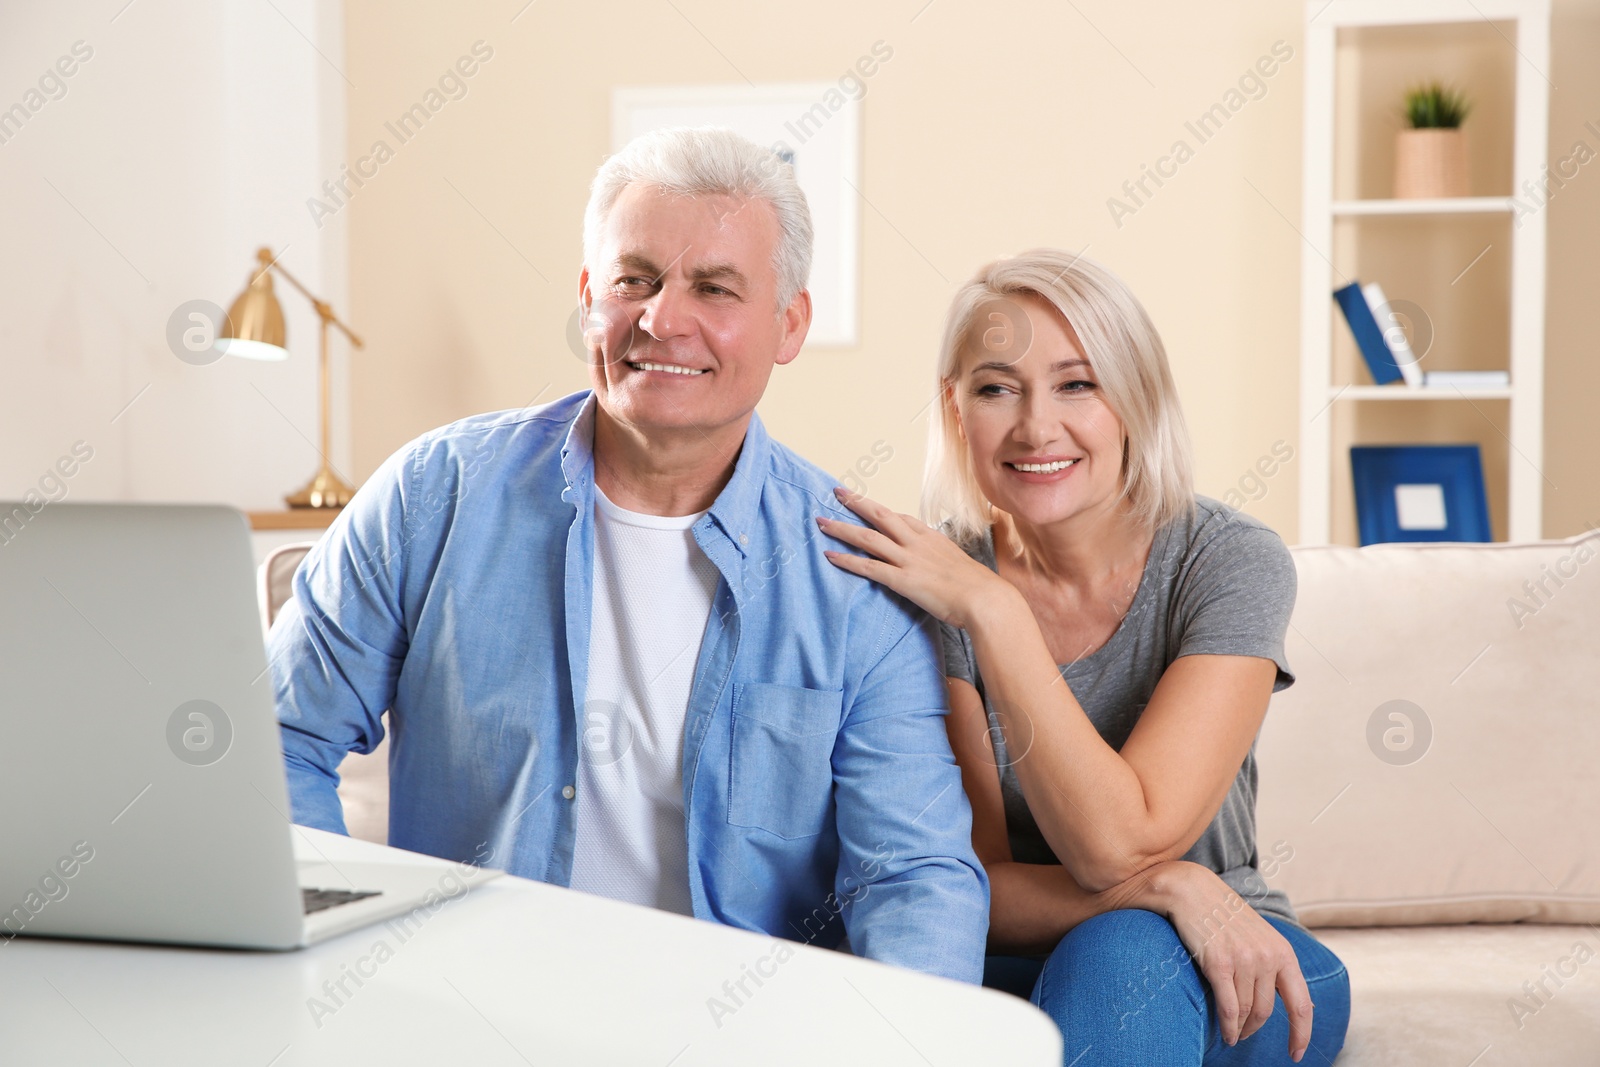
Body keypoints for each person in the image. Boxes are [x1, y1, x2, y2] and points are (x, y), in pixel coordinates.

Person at [268, 126, 988, 983]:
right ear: (587, 298)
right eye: (633, 280)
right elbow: (278, 741)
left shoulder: (857, 573)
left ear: (789, 322)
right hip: (468, 1012)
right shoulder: (435, 494)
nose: (662, 319)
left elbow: (912, 876)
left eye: (715, 288)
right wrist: (341, 955)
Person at [818, 249, 1350, 1063]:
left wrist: (997, 614)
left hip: (1229, 953)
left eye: (1078, 383)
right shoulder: (937, 588)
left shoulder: (1227, 562)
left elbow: (1121, 843)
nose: (1036, 426)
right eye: (997, 388)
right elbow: (969, 882)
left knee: (1122, 953)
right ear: (956, 410)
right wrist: (1172, 883)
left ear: (1135, 400)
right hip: (1013, 956)